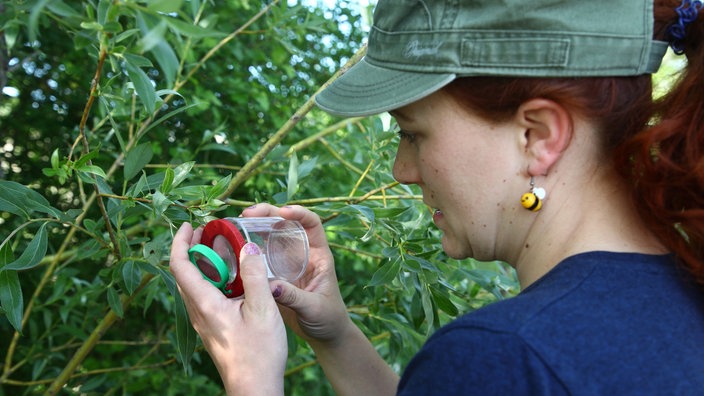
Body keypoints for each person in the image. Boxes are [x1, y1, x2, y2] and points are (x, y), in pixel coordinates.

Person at [169, 0, 704, 394]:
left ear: (537, 136)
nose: (402, 170)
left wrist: (251, 380)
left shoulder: (506, 358)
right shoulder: (683, 292)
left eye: (412, 132)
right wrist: (334, 336)